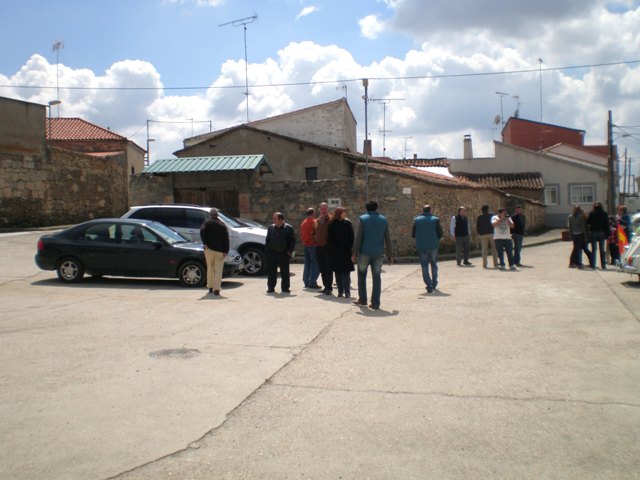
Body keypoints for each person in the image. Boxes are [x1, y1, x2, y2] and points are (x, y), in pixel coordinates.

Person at [352, 200, 394, 310]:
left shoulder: (363, 219)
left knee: (361, 276)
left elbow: (358, 238)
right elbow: (388, 239)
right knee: (377, 277)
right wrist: (390, 256)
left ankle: (362, 299)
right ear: (377, 208)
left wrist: (354, 253)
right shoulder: (383, 220)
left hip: (364, 252)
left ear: (366, 208)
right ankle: (375, 303)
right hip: (378, 253)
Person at [412, 205, 443, 293]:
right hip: (433, 245)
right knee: (434, 264)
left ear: (423, 210)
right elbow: (440, 233)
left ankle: (428, 285)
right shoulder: (435, 220)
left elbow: (413, 234)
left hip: (421, 246)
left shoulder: (416, 220)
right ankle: (434, 283)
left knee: (424, 266)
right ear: (430, 210)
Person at [200, 208, 229, 295]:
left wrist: (205, 243)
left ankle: (210, 287)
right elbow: (226, 239)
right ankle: (216, 289)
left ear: (210, 215)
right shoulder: (222, 225)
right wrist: (226, 251)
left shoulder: (206, 223)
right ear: (217, 215)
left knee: (210, 268)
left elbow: (202, 231)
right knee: (218, 270)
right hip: (220, 251)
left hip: (209, 249)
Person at [265, 212, 296, 294]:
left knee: (285, 272)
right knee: (271, 272)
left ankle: (285, 288)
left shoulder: (288, 228)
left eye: (275, 219)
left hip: (284, 253)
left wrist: (289, 251)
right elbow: (267, 240)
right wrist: (267, 251)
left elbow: (292, 241)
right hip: (272, 253)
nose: (273, 220)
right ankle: (271, 288)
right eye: (273, 219)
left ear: (281, 219)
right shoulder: (271, 228)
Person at [327, 207, 355, 298]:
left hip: (346, 252)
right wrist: (334, 249)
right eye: (343, 212)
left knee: (346, 273)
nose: (345, 214)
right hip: (336, 252)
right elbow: (330, 238)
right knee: (338, 273)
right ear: (339, 213)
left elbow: (352, 237)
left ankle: (347, 292)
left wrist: (350, 248)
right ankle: (340, 291)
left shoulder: (347, 223)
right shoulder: (332, 223)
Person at [314, 202, 334, 295]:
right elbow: (314, 232)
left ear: (327, 209)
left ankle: (329, 288)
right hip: (318, 247)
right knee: (322, 268)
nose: (323, 210)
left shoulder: (330, 219)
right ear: (319, 209)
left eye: (325, 208)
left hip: (327, 247)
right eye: (322, 208)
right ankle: (326, 286)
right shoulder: (317, 220)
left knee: (328, 268)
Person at [300, 207, 320, 288]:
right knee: (315, 264)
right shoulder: (314, 222)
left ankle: (306, 281)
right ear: (313, 213)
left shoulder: (303, 223)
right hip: (313, 245)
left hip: (306, 245)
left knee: (307, 264)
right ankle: (312, 282)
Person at [586, 202, 609, 270]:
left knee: (594, 249)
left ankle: (593, 264)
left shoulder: (592, 213)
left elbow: (587, 222)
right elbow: (607, 224)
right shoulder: (604, 213)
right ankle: (603, 265)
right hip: (602, 232)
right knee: (602, 249)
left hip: (593, 232)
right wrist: (607, 233)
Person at [476, 205, 498, 269]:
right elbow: (495, 224)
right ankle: (495, 263)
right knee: (494, 249)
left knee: (484, 250)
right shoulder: (491, 215)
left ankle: (484, 264)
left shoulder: (479, 217)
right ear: (488, 209)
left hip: (483, 234)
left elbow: (478, 226)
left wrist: (480, 233)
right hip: (491, 233)